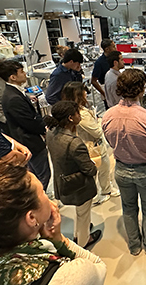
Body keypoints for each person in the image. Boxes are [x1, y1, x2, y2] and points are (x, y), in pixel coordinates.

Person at [0, 161, 107, 285]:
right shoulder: (69, 276)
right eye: (43, 192)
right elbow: (99, 267)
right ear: (31, 218)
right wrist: (58, 238)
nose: (48, 197)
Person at [102, 69, 146, 256]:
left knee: (128, 209)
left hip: (121, 168)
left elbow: (109, 142)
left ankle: (134, 246)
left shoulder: (107, 116)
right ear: (141, 90)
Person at [45, 101, 102, 248]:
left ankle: (79, 234)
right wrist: (94, 163)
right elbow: (90, 170)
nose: (79, 115)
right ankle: (83, 242)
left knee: (80, 213)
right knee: (83, 215)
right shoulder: (74, 143)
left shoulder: (51, 133)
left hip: (61, 180)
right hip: (78, 185)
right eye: (77, 113)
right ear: (70, 118)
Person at [61, 82, 119, 206]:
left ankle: (107, 189)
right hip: (91, 146)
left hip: (89, 144)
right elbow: (97, 132)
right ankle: (98, 194)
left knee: (104, 167)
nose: (86, 94)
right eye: (84, 92)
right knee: (97, 169)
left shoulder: (73, 110)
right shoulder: (81, 114)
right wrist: (99, 122)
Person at [0, 59, 51, 190]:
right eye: (21, 72)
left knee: (36, 172)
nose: (25, 74)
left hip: (28, 137)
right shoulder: (13, 98)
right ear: (13, 77)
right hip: (29, 140)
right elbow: (29, 121)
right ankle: (39, 201)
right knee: (42, 175)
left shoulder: (16, 92)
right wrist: (43, 128)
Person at [91, 39, 116, 110]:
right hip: (106, 88)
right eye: (113, 47)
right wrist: (104, 93)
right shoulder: (99, 63)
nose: (115, 49)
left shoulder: (113, 59)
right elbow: (93, 81)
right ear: (107, 49)